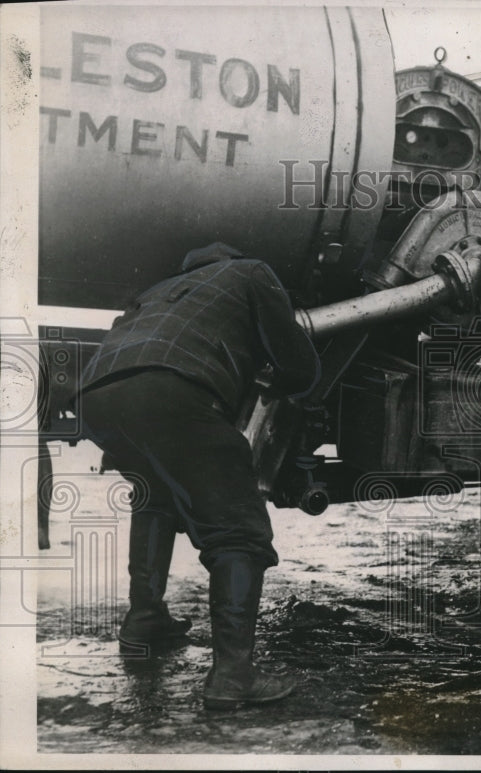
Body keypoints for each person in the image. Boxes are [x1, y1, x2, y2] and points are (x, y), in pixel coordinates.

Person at [76, 242, 321, 710]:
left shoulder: (156, 291)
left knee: (157, 497)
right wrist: (273, 376)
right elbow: (300, 368)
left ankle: (145, 619)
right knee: (238, 530)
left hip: (98, 395)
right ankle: (233, 675)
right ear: (228, 258)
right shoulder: (251, 270)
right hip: (173, 388)